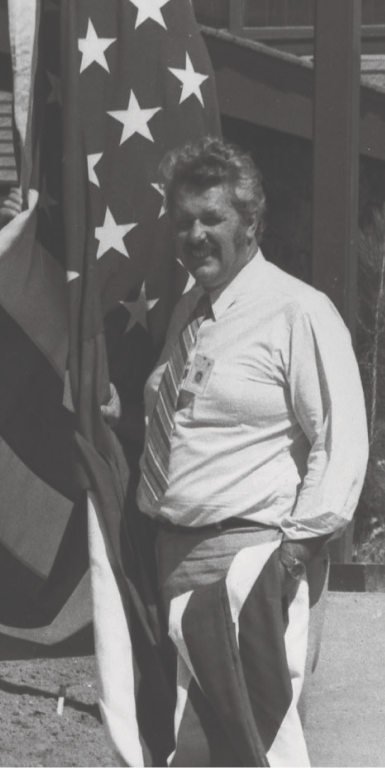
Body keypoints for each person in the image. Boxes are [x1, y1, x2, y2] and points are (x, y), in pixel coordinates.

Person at [137, 137, 369, 747]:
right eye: (183, 220)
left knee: (254, 745)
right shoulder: (190, 312)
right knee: (189, 748)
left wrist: (288, 562)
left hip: (249, 559)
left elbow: (340, 443)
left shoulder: (298, 310)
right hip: (174, 556)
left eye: (211, 218)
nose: (194, 234)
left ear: (251, 224)